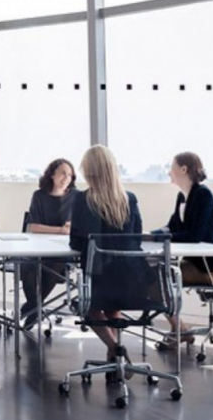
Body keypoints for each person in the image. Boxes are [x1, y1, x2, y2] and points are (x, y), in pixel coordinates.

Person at [68, 145, 144, 363]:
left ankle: (115, 347)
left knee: (89, 309)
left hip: (98, 275)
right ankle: (116, 359)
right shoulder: (129, 198)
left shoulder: (83, 199)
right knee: (113, 308)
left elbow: (76, 241)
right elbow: (136, 238)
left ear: (89, 171)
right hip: (129, 277)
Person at [158, 151, 213, 346]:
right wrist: (151, 234)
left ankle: (180, 330)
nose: (168, 173)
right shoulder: (182, 197)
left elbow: (195, 236)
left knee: (162, 277)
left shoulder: (203, 195)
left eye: (171, 168)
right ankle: (180, 329)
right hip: (199, 265)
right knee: (159, 274)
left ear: (183, 169)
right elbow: (172, 227)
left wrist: (164, 236)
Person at [19, 158, 79, 327]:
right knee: (26, 266)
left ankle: (32, 308)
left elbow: (80, 224)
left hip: (64, 251)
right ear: (52, 175)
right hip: (38, 248)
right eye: (62, 173)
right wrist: (59, 230)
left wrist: (72, 227)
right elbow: (32, 227)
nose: (66, 178)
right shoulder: (39, 196)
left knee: (55, 264)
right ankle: (35, 308)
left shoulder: (77, 197)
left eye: (70, 175)